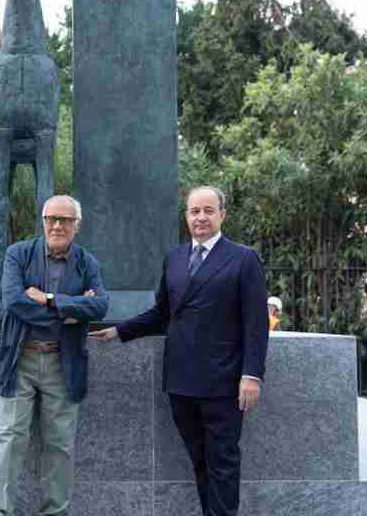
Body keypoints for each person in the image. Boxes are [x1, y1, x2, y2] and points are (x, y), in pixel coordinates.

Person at [90, 186, 268, 516]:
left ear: (222, 215)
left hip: (224, 382)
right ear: (186, 216)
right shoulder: (174, 258)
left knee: (223, 463)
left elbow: (256, 323)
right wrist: (119, 330)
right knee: (199, 460)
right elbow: (162, 313)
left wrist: (251, 375)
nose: (200, 217)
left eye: (208, 210)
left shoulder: (244, 259)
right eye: (194, 211)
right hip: (180, 381)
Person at [0, 195, 109, 516]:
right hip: (21, 359)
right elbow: (13, 301)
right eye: (52, 218)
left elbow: (100, 306)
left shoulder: (87, 263)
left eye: (65, 220)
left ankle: (55, 512)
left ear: (77, 226)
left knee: (59, 444)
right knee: (9, 439)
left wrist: (51, 299)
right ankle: (0, 511)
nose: (58, 225)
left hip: (63, 361)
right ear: (42, 221)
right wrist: (71, 310)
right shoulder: (18, 254)